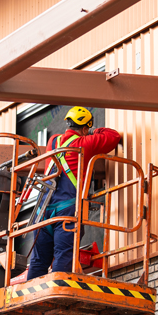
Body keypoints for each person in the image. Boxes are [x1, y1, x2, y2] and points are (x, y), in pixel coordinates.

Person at [26, 106, 122, 279]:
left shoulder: (53, 141)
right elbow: (113, 136)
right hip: (67, 210)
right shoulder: (84, 144)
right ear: (85, 128)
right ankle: (58, 293)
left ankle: (31, 297)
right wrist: (94, 131)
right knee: (64, 255)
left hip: (43, 211)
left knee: (39, 260)